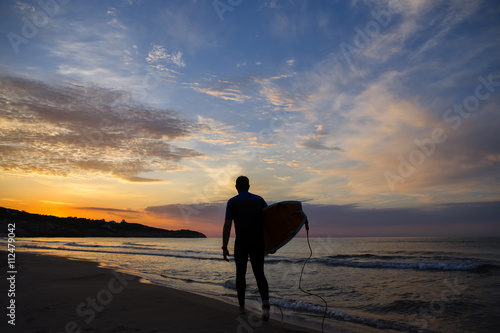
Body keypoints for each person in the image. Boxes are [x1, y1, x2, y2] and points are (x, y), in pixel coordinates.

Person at [222, 176, 270, 320]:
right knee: (259, 274)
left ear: (236, 187)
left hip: (241, 243)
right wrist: (272, 244)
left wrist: (224, 247)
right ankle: (266, 308)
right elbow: (269, 222)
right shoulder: (260, 200)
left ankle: (242, 307)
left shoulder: (232, 202)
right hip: (258, 243)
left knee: (240, 274)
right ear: (249, 186)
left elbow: (227, 225)